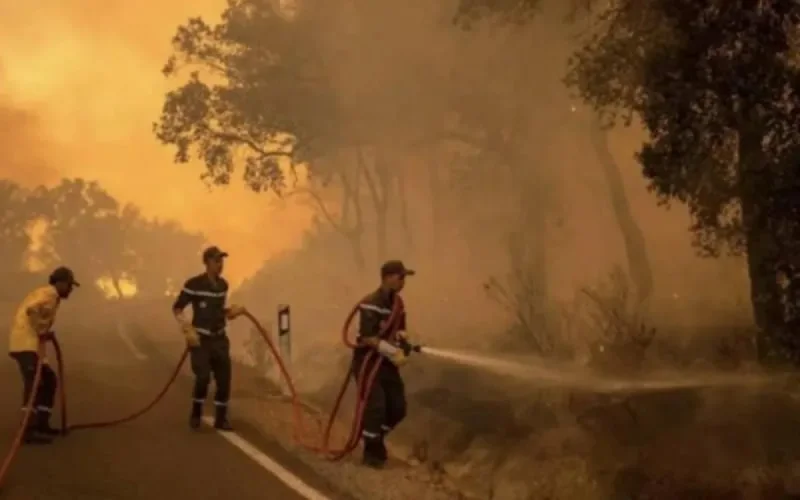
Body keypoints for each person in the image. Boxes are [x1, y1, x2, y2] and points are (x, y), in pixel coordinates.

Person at [172, 246, 247, 431]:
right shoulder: (194, 284)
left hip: (220, 339)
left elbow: (218, 311)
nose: (220, 265)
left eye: (222, 261)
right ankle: (196, 413)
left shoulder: (223, 286)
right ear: (207, 263)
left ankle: (221, 419)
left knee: (224, 380)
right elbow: (177, 307)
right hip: (200, 340)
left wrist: (232, 312)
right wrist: (187, 329)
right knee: (203, 377)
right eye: (216, 261)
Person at [353, 260, 416, 468]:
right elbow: (368, 337)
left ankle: (375, 439)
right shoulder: (371, 302)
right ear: (387, 277)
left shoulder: (398, 304)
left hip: (386, 364)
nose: (403, 282)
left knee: (398, 408)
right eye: (400, 277)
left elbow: (398, 330)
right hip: (368, 362)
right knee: (377, 406)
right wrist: (391, 350)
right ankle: (371, 453)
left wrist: (403, 341)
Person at [8, 266, 79, 444]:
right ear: (60, 283)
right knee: (34, 383)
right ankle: (27, 430)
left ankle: (41, 423)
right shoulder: (50, 294)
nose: (70, 290)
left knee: (49, 380)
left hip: (31, 345)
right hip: (26, 344)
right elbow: (31, 310)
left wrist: (43, 332)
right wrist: (41, 330)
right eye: (69, 285)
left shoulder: (49, 295)